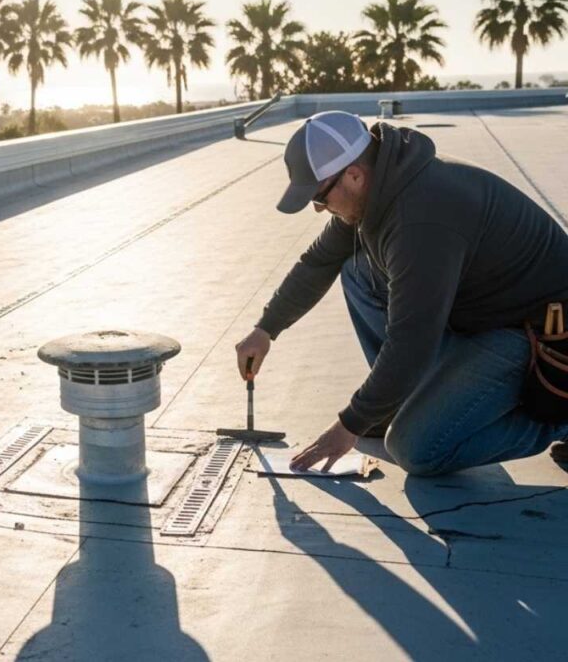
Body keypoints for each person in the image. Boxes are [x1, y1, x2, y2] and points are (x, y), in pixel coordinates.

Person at [234, 111, 568, 476]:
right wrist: (266, 329)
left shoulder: (420, 220)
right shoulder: (381, 184)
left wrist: (350, 424)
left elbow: (413, 341)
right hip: (483, 313)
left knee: (414, 448)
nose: (319, 209)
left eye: (319, 197)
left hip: (535, 332)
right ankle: (400, 402)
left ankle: (559, 423)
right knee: (356, 271)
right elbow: (319, 262)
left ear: (354, 175)